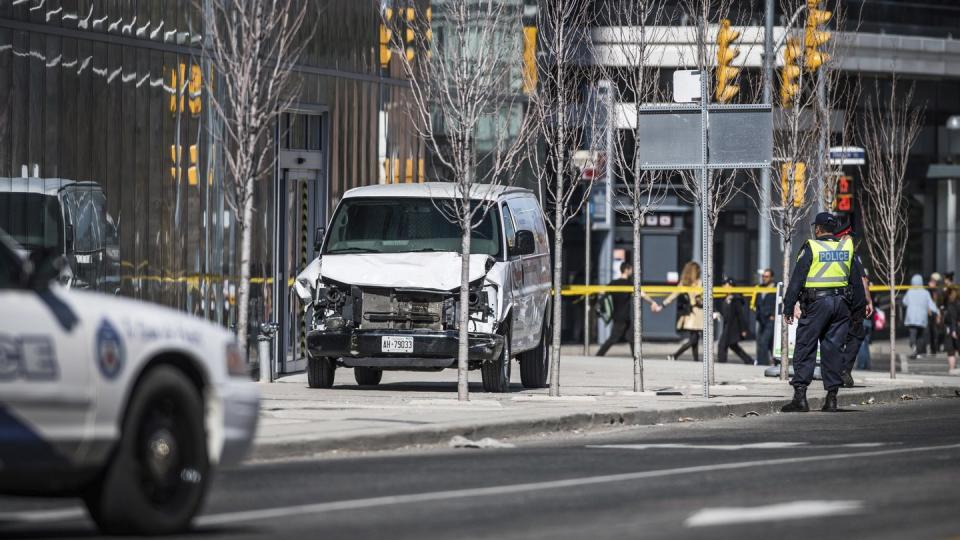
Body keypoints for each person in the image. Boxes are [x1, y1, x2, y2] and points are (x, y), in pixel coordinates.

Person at [781, 212, 865, 413]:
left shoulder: (812, 247)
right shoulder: (845, 248)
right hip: (841, 304)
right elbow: (857, 282)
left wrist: (788, 305)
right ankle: (832, 399)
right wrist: (858, 310)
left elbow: (797, 279)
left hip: (816, 304)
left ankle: (800, 397)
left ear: (817, 229)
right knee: (833, 349)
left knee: (805, 346)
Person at [834, 217, 873, 388]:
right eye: (850, 235)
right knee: (855, 335)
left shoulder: (827, 253)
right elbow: (864, 280)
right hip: (854, 301)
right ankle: (843, 370)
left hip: (834, 300)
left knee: (835, 335)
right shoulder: (853, 256)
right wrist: (868, 301)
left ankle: (835, 371)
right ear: (846, 235)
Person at [596, 262, 662, 357]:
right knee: (613, 338)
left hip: (619, 315)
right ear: (626, 270)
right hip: (622, 316)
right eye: (631, 269)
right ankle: (598, 355)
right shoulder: (629, 284)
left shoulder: (613, 283)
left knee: (631, 337)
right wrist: (652, 302)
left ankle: (636, 357)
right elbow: (642, 294)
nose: (632, 271)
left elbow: (602, 292)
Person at [662, 261, 703, 361]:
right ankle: (675, 355)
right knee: (694, 338)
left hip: (698, 313)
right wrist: (663, 305)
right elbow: (673, 295)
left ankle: (696, 360)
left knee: (695, 338)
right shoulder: (686, 283)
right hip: (693, 314)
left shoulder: (699, 282)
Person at [717, 278, 754, 364]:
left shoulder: (736, 300)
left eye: (725, 284)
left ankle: (721, 362)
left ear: (731, 286)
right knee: (733, 345)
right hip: (727, 326)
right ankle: (750, 361)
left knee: (722, 345)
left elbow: (740, 315)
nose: (723, 286)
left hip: (733, 327)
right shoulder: (724, 298)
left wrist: (743, 329)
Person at [903, 273, 938, 359]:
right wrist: (937, 311)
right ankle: (918, 352)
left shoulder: (910, 291)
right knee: (920, 336)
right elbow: (931, 304)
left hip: (911, 318)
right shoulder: (925, 292)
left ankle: (914, 347)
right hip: (922, 318)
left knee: (912, 334)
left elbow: (904, 302)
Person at [755, 269, 777, 366]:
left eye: (766, 276)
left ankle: (762, 364)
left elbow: (779, 302)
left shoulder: (776, 288)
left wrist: (773, 315)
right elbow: (757, 301)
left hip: (771, 319)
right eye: (763, 276)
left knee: (764, 342)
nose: (764, 278)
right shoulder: (759, 287)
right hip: (761, 319)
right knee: (766, 342)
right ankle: (776, 362)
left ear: (771, 277)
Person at [942, 287, 959, 374]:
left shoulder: (951, 305)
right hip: (954, 328)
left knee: (951, 350)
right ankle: (952, 369)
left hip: (953, 329)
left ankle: (952, 369)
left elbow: (953, 319)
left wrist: (953, 331)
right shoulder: (955, 303)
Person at [927, 272, 944, 354]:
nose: (931, 281)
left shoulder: (939, 290)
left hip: (938, 311)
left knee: (937, 330)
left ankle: (937, 346)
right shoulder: (930, 290)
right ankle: (934, 347)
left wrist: (939, 313)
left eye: (933, 280)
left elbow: (938, 301)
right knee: (932, 330)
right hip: (932, 312)